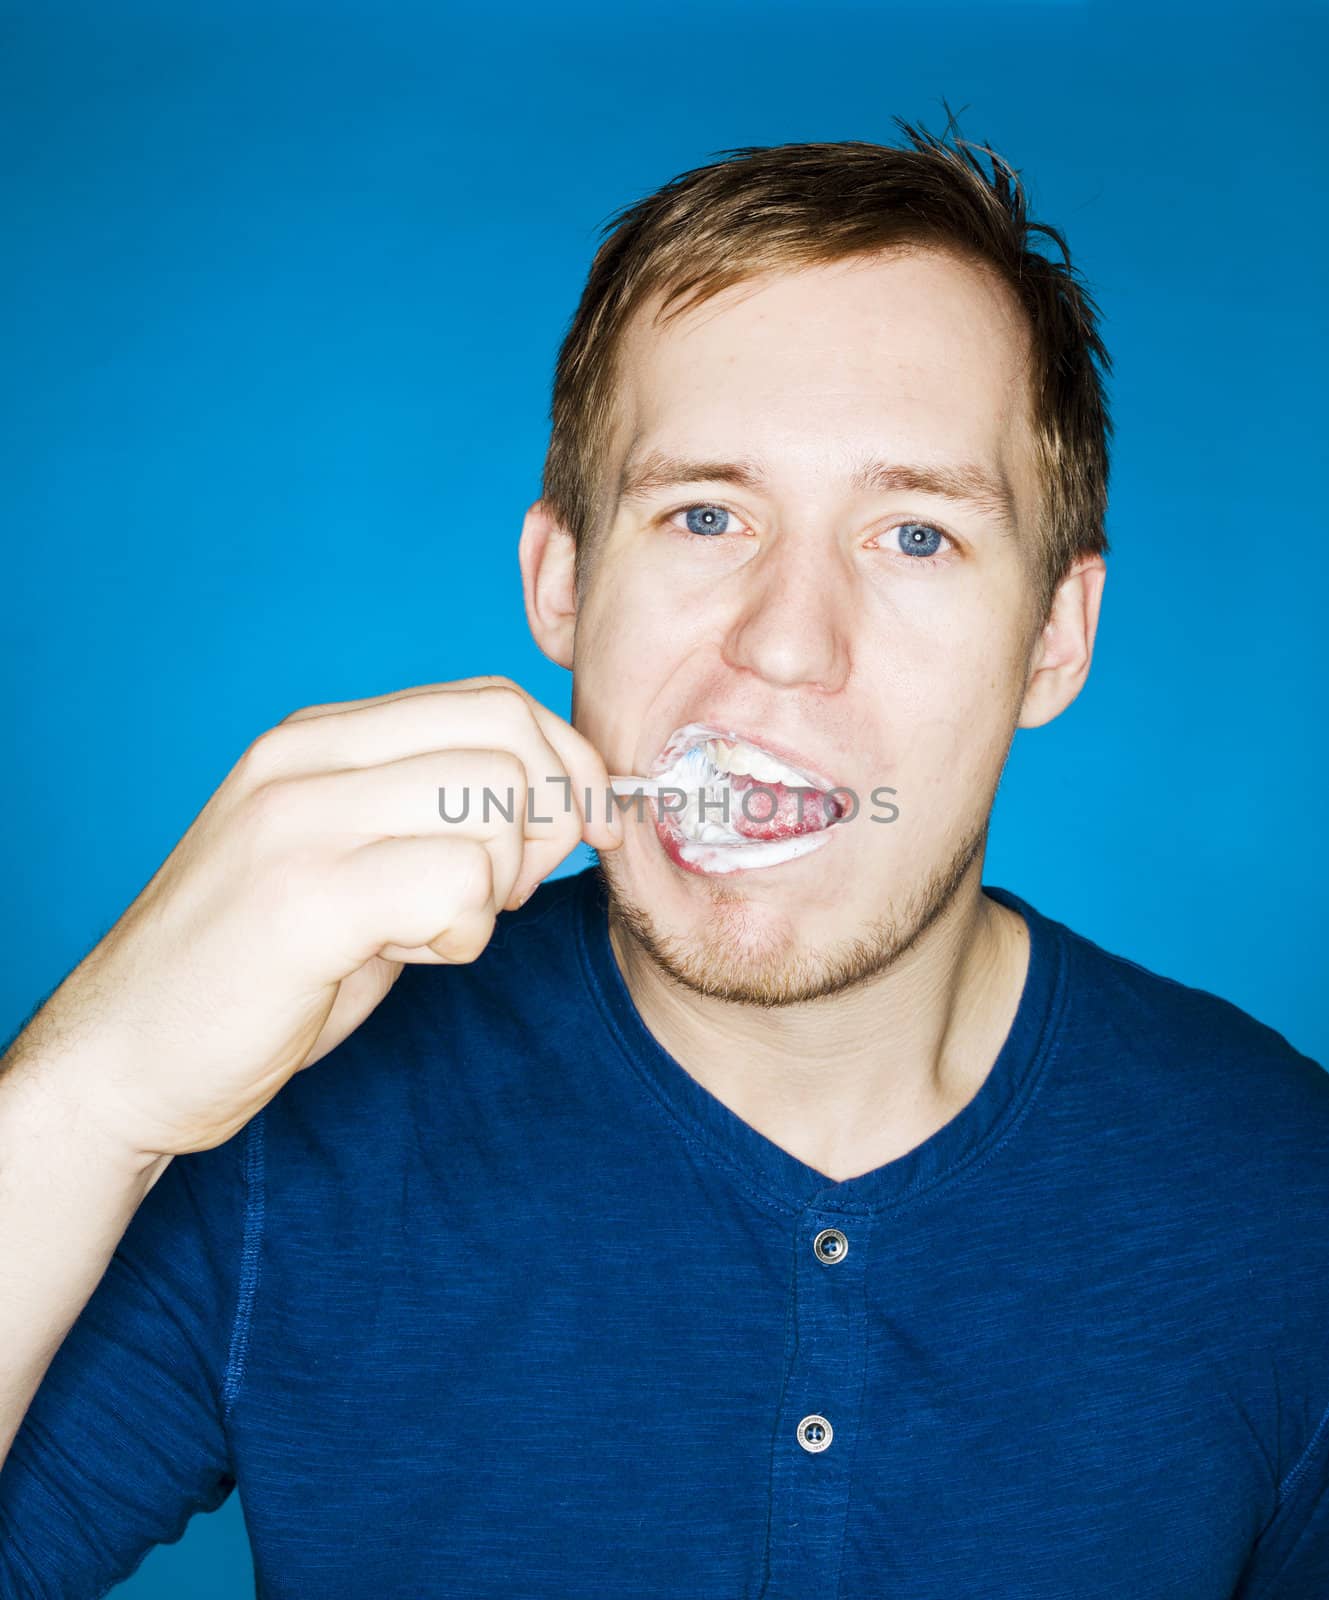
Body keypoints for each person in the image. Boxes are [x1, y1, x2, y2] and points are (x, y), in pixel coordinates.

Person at [1, 113, 1325, 1600]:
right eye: (704, 514)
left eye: (912, 537)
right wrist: (88, 1094)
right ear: (561, 584)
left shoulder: (1290, 1197)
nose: (782, 644)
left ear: (1053, 641)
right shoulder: (297, 1124)